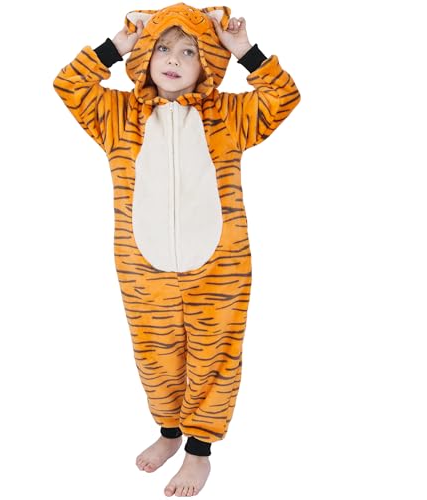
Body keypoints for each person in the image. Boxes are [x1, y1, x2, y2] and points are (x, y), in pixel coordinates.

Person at [53, 2, 301, 496]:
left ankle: (199, 449)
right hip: (142, 266)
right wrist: (117, 45)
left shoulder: (227, 115)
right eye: (163, 47)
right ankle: (168, 431)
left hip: (220, 266)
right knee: (156, 354)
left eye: (189, 51)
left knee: (215, 354)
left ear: (208, 60)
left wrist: (245, 51)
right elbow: (69, 85)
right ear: (145, 54)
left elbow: (283, 97)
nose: (173, 59)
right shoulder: (118, 115)